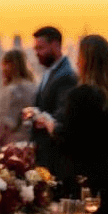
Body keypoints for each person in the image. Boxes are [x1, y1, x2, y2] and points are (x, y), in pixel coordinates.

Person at [35, 35, 108, 214]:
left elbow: (67, 139)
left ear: (84, 61)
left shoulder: (79, 96)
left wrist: (49, 124)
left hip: (85, 181)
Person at [28, 25, 78, 186]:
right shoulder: (51, 72)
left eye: (41, 48)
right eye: (36, 48)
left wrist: (41, 118)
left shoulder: (66, 76)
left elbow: (62, 115)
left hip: (56, 157)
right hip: (45, 154)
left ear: (55, 45)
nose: (37, 53)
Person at [0, 48, 37, 145]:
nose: (3, 68)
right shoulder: (33, 87)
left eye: (5, 64)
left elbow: (7, 123)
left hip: (11, 143)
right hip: (30, 142)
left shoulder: (11, 90)